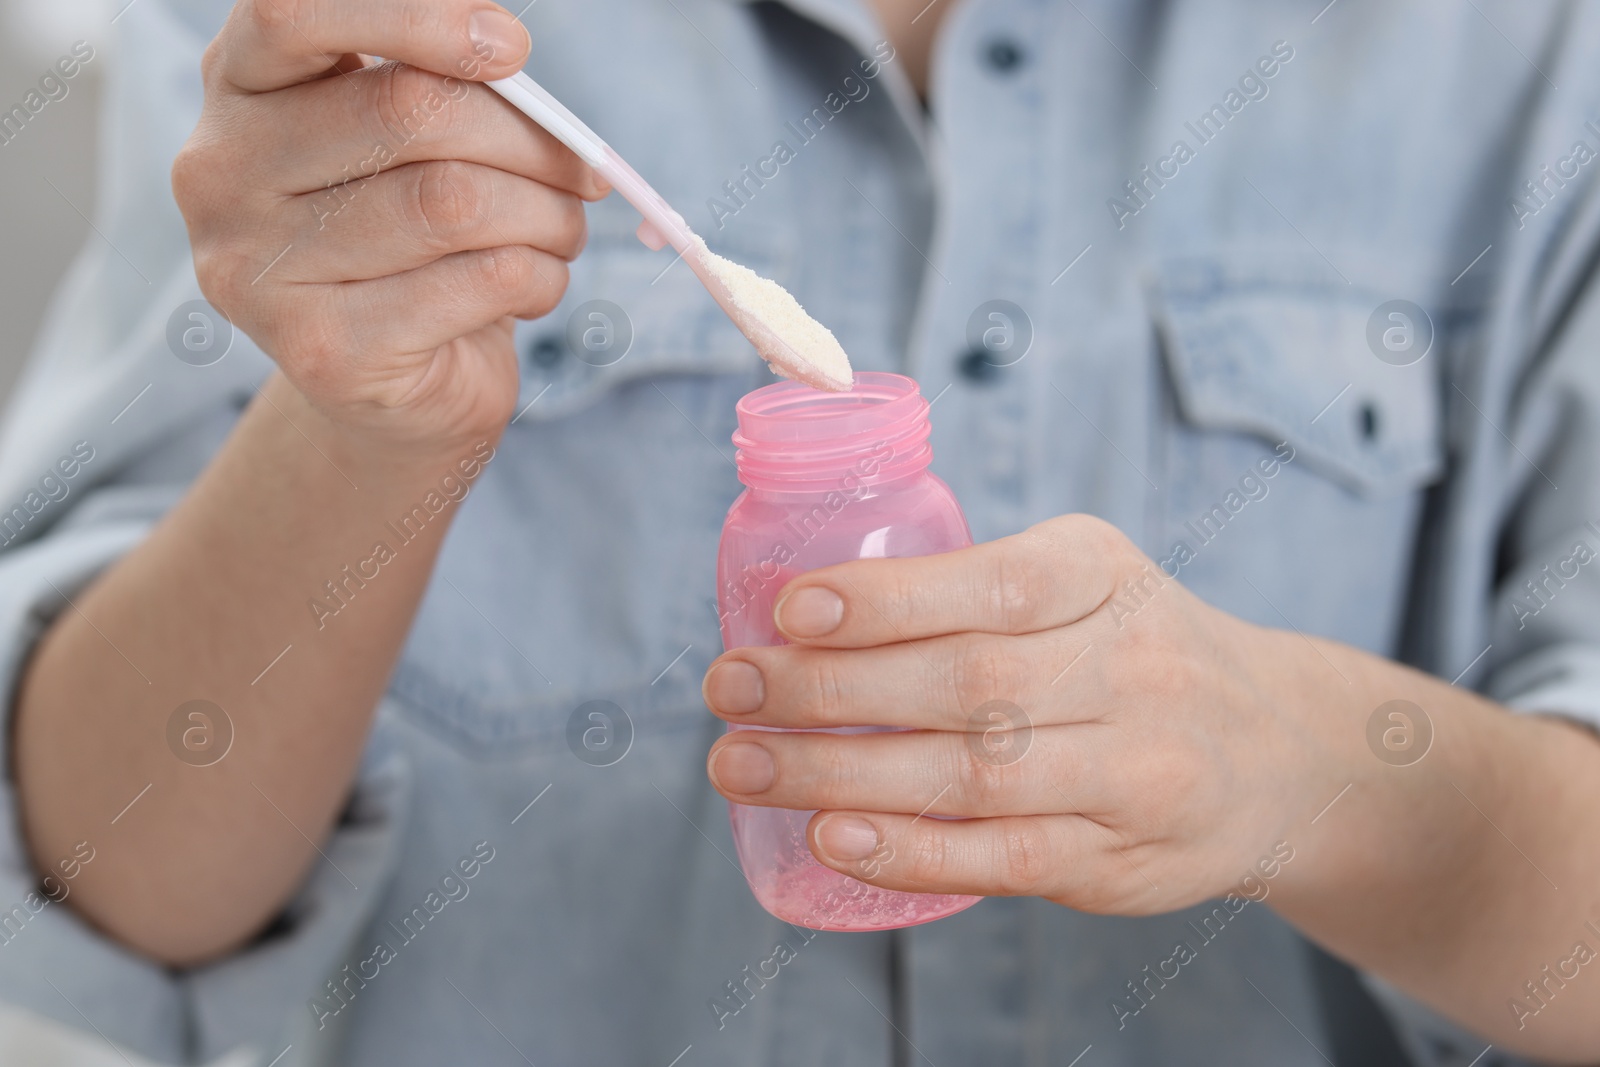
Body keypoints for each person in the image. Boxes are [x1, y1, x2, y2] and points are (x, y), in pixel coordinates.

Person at [0, 0, 1597, 1063]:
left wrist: (1305, 765)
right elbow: (109, 872)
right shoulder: (349, 33)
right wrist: (360, 437)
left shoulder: (1522, 50)